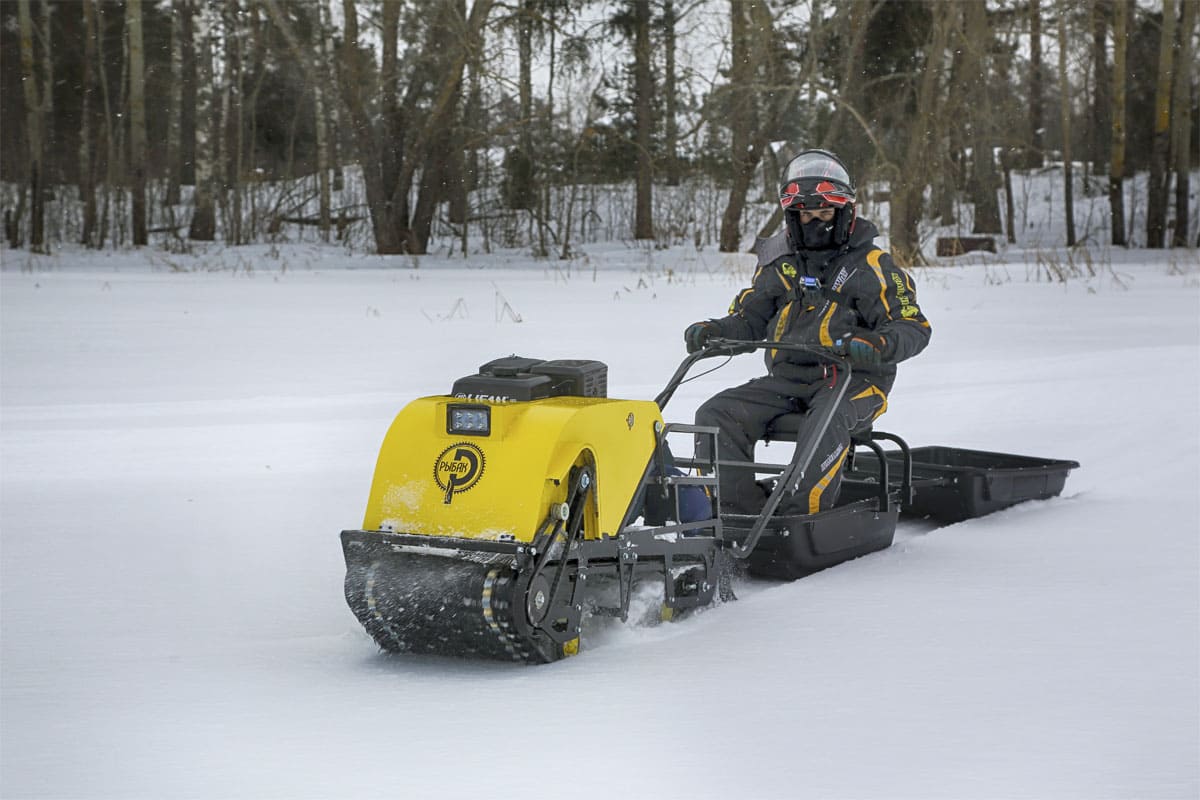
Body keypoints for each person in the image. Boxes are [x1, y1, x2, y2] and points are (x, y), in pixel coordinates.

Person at [684, 149, 931, 515]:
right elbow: (750, 319)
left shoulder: (873, 265)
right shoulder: (780, 264)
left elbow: (913, 326)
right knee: (716, 413)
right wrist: (715, 331)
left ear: (845, 212)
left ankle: (801, 518)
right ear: (791, 218)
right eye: (804, 215)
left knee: (826, 421)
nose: (815, 222)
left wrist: (878, 342)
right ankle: (733, 514)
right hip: (787, 381)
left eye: (825, 213)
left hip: (856, 381)